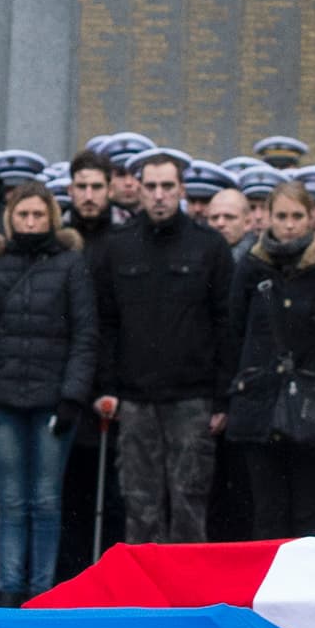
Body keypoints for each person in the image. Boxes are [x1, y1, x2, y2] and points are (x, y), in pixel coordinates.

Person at [0, 178, 94, 604]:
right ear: (10, 219)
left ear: (51, 217)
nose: (31, 222)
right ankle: (10, 588)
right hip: (4, 401)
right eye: (23, 214)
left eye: (38, 214)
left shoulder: (71, 264)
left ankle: (43, 590)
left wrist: (73, 395)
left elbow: (84, 335)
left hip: (53, 401)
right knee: (10, 501)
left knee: (46, 501)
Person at [86, 152, 235, 546]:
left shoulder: (209, 247)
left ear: (182, 190)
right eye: (150, 186)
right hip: (135, 399)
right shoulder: (118, 246)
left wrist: (222, 397)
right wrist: (107, 386)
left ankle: (186, 600)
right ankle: (145, 601)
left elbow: (226, 324)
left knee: (189, 503)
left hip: (193, 398)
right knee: (140, 506)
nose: (159, 196)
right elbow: (107, 323)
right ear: (138, 188)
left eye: (167, 187)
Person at [224, 180, 315, 538]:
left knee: (310, 511)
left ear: (312, 217)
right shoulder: (250, 268)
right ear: (266, 217)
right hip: (260, 404)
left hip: (311, 407)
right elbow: (234, 331)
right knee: (267, 511)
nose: (288, 224)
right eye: (281, 216)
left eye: (297, 215)